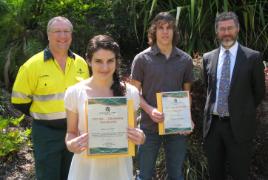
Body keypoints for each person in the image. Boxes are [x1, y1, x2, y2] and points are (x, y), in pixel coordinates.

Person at [11, 16, 89, 180]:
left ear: (71, 35)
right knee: (48, 176)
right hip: (46, 133)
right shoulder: (32, 65)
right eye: (57, 31)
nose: (62, 36)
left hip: (76, 132)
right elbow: (19, 101)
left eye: (66, 31)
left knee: (73, 175)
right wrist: (44, 115)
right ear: (48, 35)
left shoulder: (81, 63)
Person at [64, 35, 145, 180]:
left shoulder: (131, 92)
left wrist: (141, 137)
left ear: (117, 61)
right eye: (98, 61)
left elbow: (133, 132)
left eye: (110, 61)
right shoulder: (74, 92)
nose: (105, 67)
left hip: (119, 170)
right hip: (86, 170)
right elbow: (71, 132)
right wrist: (71, 144)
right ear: (88, 60)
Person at [131, 12, 194, 180]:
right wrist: (150, 110)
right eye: (161, 28)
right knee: (144, 175)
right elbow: (134, 93)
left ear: (174, 31)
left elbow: (186, 93)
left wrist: (187, 118)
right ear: (154, 31)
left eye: (169, 28)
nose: (165, 32)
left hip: (176, 127)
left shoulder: (185, 60)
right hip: (148, 127)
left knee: (176, 174)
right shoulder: (141, 59)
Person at [202, 11, 265, 180]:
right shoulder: (208, 58)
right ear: (217, 32)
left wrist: (241, 109)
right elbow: (208, 89)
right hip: (213, 127)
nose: (226, 32)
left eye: (230, 28)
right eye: (222, 29)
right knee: (215, 174)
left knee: (240, 173)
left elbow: (259, 92)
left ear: (237, 29)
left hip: (239, 127)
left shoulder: (253, 57)